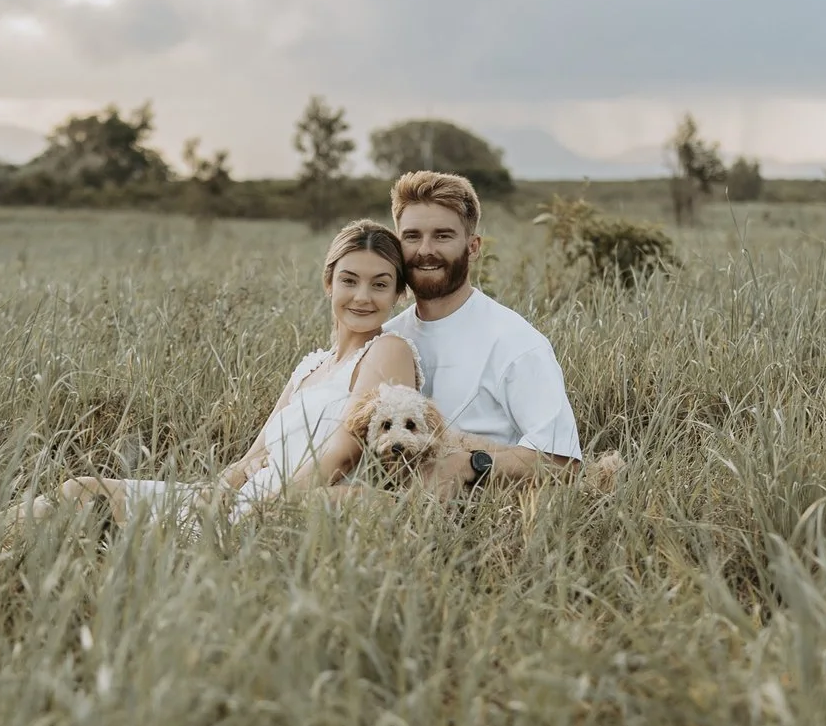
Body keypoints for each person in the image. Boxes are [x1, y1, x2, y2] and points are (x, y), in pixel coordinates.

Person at [29, 221, 421, 525]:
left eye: (380, 284)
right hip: (244, 496)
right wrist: (213, 494)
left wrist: (263, 507)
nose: (363, 297)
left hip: (289, 508)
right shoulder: (311, 366)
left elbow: (343, 452)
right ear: (328, 283)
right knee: (77, 489)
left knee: (84, 507)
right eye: (349, 281)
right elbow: (253, 454)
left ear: (397, 294)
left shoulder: (388, 350)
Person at [374, 169, 580, 494]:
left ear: (473, 247)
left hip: (481, 519)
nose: (425, 250)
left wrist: (469, 465)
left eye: (443, 236)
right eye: (412, 236)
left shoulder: (515, 341)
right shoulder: (385, 337)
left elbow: (561, 460)